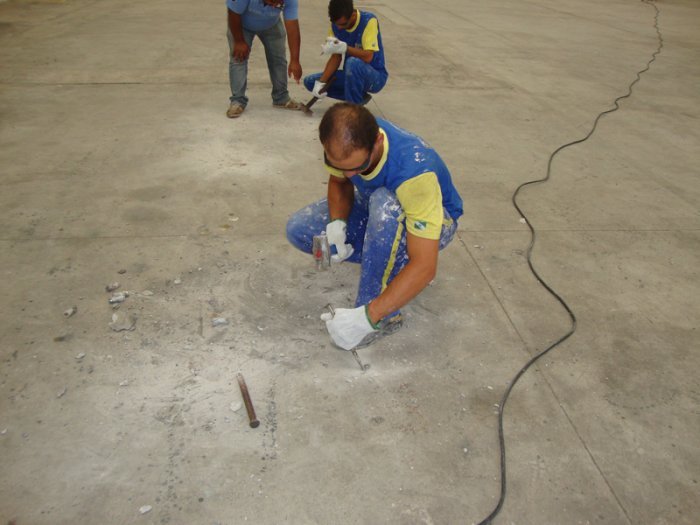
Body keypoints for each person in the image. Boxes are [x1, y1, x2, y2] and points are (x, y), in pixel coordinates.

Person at [286, 103, 463, 351]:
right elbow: (339, 182)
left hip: (434, 218)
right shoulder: (346, 141)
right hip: (378, 206)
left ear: (378, 142)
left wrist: (367, 317)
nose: (350, 174)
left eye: (358, 168)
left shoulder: (414, 175)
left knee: (385, 205)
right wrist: (338, 222)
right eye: (341, 167)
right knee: (299, 230)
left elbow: (425, 266)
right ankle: (382, 260)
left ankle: (381, 316)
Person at [226, 0, 303, 118]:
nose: (275, 6)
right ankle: (237, 101)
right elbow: (233, 12)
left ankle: (281, 97)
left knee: (278, 59)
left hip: (271, 25)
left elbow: (292, 26)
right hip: (241, 24)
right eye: (272, 2)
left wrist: (295, 60)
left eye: (278, 4)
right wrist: (239, 41)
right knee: (238, 58)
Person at [302, 0, 388, 105]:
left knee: (352, 63)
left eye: (343, 24)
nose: (339, 28)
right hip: (351, 74)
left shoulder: (368, 21)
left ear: (352, 15)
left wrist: (346, 48)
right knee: (311, 82)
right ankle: (359, 97)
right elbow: (335, 57)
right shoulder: (336, 25)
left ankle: (353, 108)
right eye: (336, 24)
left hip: (375, 76)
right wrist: (321, 83)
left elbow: (368, 57)